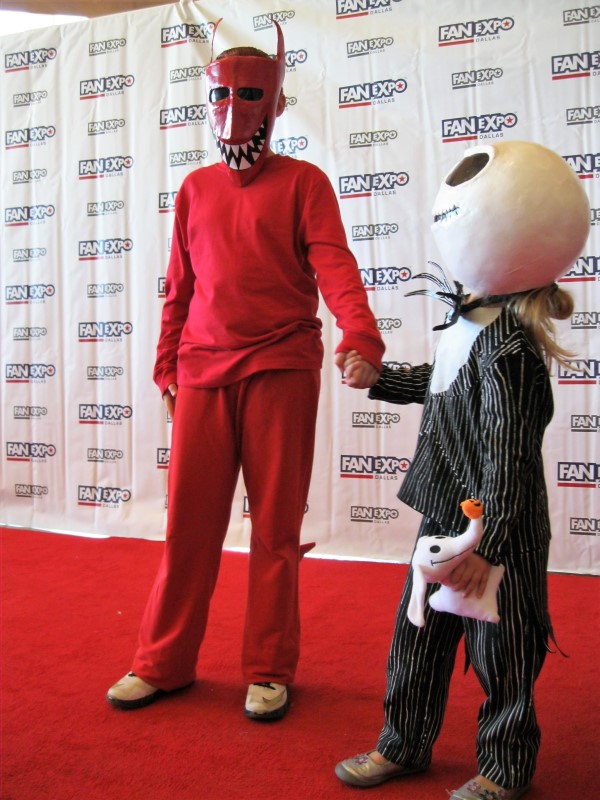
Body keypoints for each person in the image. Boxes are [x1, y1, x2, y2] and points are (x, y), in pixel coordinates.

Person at [106, 19, 384, 721]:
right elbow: (180, 287)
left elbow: (334, 265)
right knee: (188, 528)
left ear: (278, 103)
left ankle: (268, 667)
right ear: (207, 100)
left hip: (281, 369)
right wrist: (166, 367)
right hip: (202, 372)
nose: (234, 110)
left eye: (251, 94)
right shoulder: (195, 190)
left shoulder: (305, 184)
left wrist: (361, 331)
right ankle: (162, 662)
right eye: (221, 95)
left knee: (275, 531)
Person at [334, 141, 590, 798]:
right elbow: (438, 382)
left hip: (496, 529)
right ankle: (403, 743)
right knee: (418, 633)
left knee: (503, 652)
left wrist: (489, 545)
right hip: (446, 514)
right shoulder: (467, 326)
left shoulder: (511, 351)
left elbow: (509, 458)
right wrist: (378, 378)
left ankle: (505, 768)